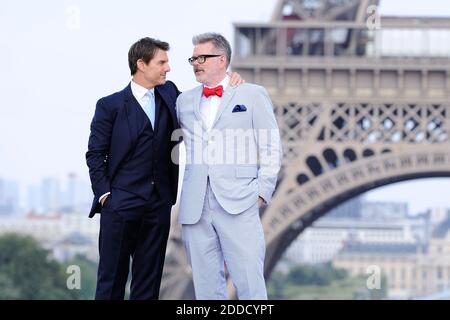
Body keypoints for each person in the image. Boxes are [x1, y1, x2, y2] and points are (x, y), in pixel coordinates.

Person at [86, 37, 243, 300]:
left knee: (148, 287)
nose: (168, 68)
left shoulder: (171, 94)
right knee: (111, 283)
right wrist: (105, 196)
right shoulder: (110, 105)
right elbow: (95, 154)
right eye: (162, 62)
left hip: (158, 206)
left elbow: (203, 106)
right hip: (120, 206)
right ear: (141, 64)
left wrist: (229, 84)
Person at [176, 33, 282, 300]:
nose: (195, 63)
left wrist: (261, 192)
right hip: (195, 206)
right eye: (193, 58)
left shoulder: (252, 94)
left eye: (202, 57)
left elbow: (271, 146)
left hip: (239, 202)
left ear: (222, 59)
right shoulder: (183, 101)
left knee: (250, 286)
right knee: (206, 290)